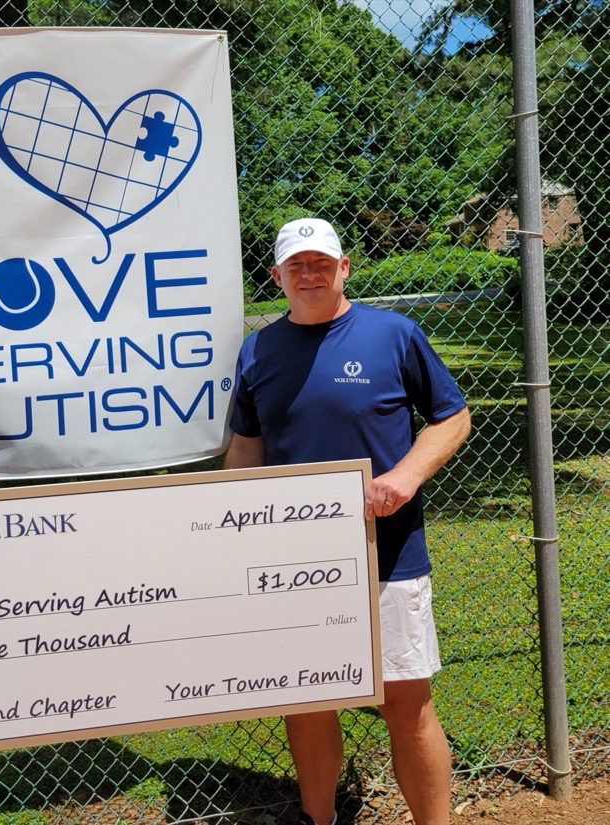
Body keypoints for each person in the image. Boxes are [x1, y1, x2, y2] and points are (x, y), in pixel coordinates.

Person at [224, 218, 471, 825]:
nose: (310, 275)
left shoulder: (394, 334)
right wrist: (229, 525)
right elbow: (246, 447)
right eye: (296, 266)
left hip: (387, 554)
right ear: (277, 276)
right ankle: (319, 819)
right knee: (306, 701)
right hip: (294, 565)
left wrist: (406, 476)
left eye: (321, 263)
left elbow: (452, 417)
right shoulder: (258, 349)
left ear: (344, 268)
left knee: (406, 706)